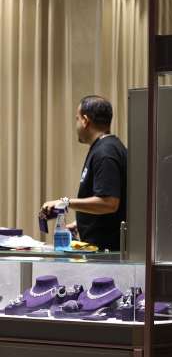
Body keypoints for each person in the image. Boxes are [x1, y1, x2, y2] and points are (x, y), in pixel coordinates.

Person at [41, 95, 127, 251]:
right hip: (101, 247)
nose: (76, 125)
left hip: (108, 252)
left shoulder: (106, 152)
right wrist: (80, 224)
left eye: (77, 119)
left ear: (85, 121)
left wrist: (65, 202)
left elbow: (109, 203)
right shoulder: (105, 148)